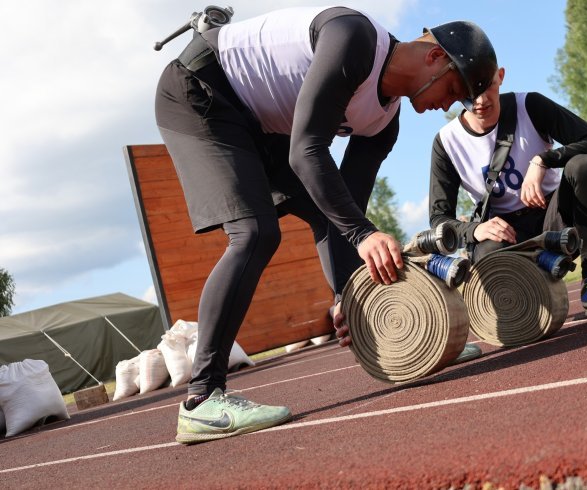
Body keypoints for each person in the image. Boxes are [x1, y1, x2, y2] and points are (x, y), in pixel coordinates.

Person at [154, 6, 497, 444]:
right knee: (255, 232)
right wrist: (363, 234)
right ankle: (202, 400)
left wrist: (350, 300)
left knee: (330, 212)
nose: (450, 106)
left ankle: (392, 339)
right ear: (435, 57)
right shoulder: (354, 38)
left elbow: (345, 208)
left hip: (262, 123)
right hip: (200, 90)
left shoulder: (383, 124)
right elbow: (305, 153)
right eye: (455, 90)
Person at [428, 67, 587, 319]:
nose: (481, 100)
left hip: (555, 220)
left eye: (487, 85)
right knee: (514, 304)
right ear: (456, 90)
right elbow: (438, 219)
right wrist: (474, 230)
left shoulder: (529, 105)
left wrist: (544, 159)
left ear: (500, 75)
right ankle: (529, 295)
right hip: (505, 235)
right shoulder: (446, 141)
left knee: (585, 165)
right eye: (470, 91)